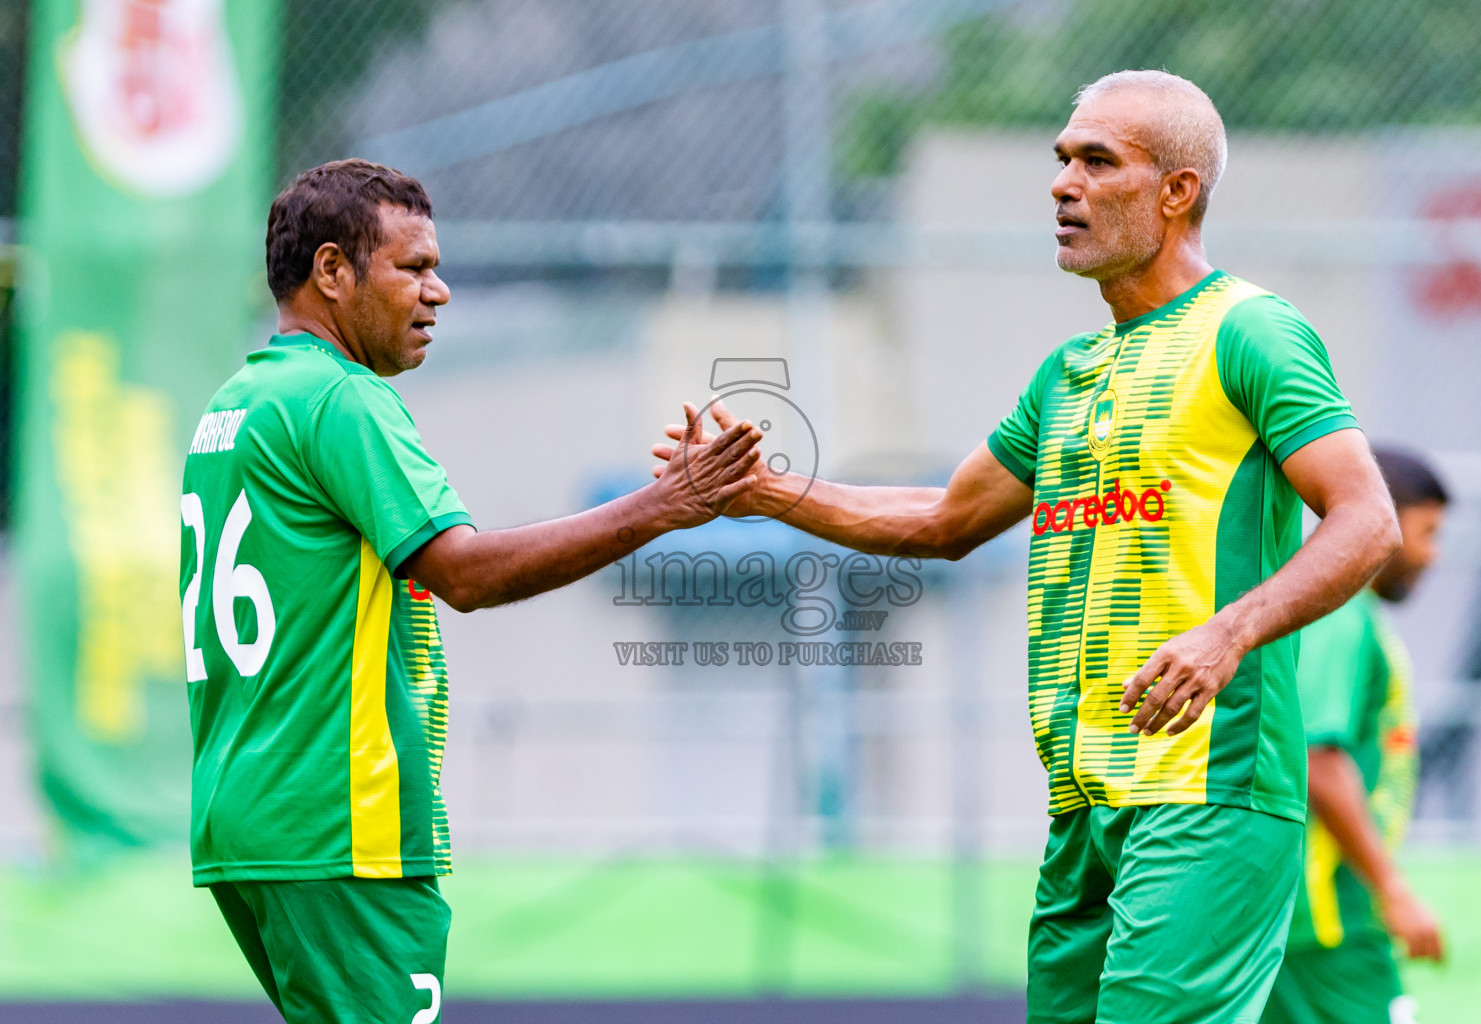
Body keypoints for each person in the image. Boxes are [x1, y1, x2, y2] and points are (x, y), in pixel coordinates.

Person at [654, 70, 1400, 1023]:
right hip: (1084, 797)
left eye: (1098, 161)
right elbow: (943, 520)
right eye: (1061, 160)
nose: (1062, 183)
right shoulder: (1067, 374)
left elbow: (1366, 518)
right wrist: (763, 491)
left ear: (1177, 191)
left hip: (1207, 789)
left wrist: (1229, 633)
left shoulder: (1251, 332)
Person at [178, 159, 760, 1023]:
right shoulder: (343, 401)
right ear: (332, 272)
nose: (439, 291)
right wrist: (660, 507)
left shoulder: (239, 402)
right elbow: (464, 572)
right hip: (341, 829)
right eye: (412, 268)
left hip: (251, 820)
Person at [1262, 448, 1449, 1024]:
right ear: (1382, 517)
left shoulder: (1344, 610)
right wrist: (1393, 889)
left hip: (1315, 917)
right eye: (1427, 532)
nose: (1431, 554)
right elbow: (1316, 757)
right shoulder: (1336, 611)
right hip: (1325, 922)